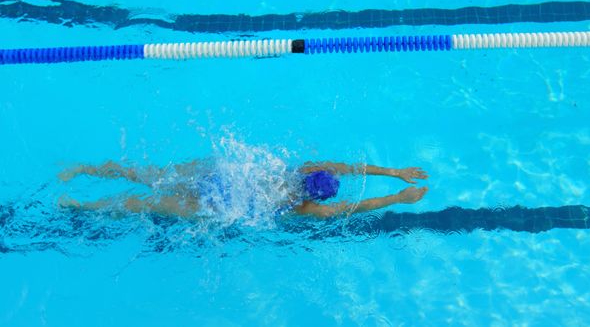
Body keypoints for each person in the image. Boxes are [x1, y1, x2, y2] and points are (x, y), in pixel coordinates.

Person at [58, 160, 428, 218]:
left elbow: (351, 166)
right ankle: (78, 205)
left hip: (217, 179)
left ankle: (83, 169)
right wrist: (397, 197)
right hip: (217, 207)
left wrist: (396, 172)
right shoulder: (304, 208)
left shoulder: (303, 168)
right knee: (141, 205)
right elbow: (350, 209)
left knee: (147, 175)